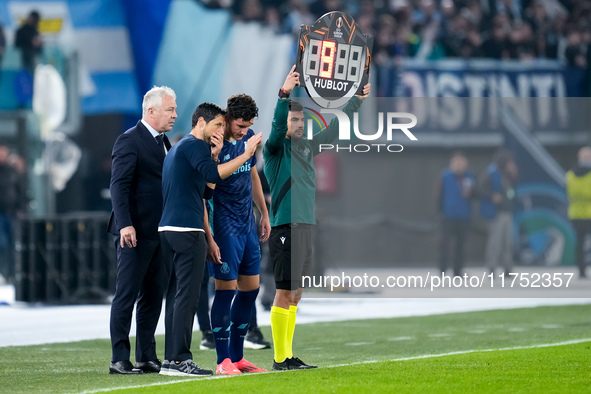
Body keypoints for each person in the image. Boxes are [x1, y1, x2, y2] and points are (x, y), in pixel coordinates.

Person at [264, 66, 370, 370]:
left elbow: (336, 129)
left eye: (300, 120)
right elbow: (274, 127)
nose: (298, 124)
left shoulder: (308, 147)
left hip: (307, 226)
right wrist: (284, 95)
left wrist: (356, 102)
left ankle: (287, 355)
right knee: (285, 291)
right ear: (284, 123)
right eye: (293, 120)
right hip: (285, 225)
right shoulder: (275, 150)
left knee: (296, 293)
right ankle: (279, 358)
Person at [158, 102, 261, 377]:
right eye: (218, 124)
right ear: (202, 122)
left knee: (181, 297)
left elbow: (206, 190)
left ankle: (173, 360)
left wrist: (215, 156)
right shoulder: (192, 146)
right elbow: (213, 180)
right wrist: (245, 154)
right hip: (189, 229)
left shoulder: (185, 148)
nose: (221, 129)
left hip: (181, 228)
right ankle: (182, 360)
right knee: (188, 298)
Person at [107, 86, 177, 375]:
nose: (175, 114)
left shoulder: (165, 142)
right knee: (126, 294)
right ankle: (119, 358)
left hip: (160, 232)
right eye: (170, 109)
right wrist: (125, 224)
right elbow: (118, 185)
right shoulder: (129, 140)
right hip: (134, 232)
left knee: (152, 297)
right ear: (151, 111)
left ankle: (146, 356)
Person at [203, 94, 271, 375]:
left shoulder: (249, 138)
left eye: (249, 126)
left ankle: (238, 357)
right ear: (228, 119)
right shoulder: (214, 145)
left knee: (250, 290)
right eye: (241, 126)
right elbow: (207, 186)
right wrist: (210, 237)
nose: (244, 131)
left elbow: (252, 174)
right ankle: (222, 361)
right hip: (224, 227)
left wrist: (264, 212)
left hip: (247, 226)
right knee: (225, 291)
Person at [479, 149, 519, 277]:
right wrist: (492, 195)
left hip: (508, 211)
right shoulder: (491, 173)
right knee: (496, 242)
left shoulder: (508, 175)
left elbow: (512, 190)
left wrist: (514, 175)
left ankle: (507, 268)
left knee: (508, 242)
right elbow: (480, 189)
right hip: (496, 213)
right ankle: (492, 268)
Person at [437, 151, 476, 277]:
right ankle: (442, 269)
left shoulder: (470, 177)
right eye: (457, 163)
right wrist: (440, 212)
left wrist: (471, 194)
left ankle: (457, 270)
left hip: (463, 215)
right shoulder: (445, 176)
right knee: (445, 244)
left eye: (462, 163)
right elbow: (439, 195)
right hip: (448, 215)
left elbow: (476, 194)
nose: (459, 165)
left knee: (460, 245)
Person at [566, 146, 591, 279]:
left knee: (579, 244)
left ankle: (581, 270)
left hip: (575, 214)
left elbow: (568, 193)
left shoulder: (570, 175)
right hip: (589, 214)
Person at [14, 10, 43, 76]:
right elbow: (17, 44)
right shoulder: (22, 30)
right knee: (25, 76)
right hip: (24, 57)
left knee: (35, 73)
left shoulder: (35, 30)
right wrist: (31, 42)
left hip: (34, 56)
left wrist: (38, 43)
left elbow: (38, 46)